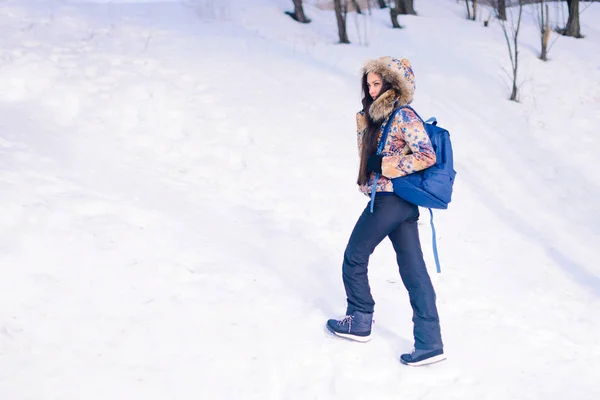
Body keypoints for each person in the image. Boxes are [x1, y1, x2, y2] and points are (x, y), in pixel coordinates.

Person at [326, 56, 446, 367]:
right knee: (413, 272)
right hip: (399, 203)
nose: (372, 89)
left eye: (377, 83)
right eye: (369, 84)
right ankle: (430, 343)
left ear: (393, 85)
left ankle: (360, 318)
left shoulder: (403, 115)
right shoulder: (374, 116)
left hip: (391, 200)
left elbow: (426, 155)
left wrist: (386, 166)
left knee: (354, 255)